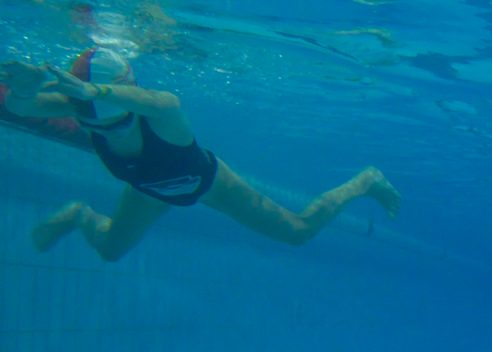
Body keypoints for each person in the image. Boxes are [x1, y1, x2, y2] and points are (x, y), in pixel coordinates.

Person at [1, 48, 401, 261]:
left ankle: (367, 180)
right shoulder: (78, 108)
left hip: (209, 184)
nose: (105, 125)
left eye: (116, 119)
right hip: (146, 190)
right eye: (93, 118)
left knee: (297, 232)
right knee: (108, 250)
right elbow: (21, 108)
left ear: (126, 100)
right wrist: (24, 86)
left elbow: (165, 100)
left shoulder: (163, 119)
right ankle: (80, 215)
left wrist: (97, 93)